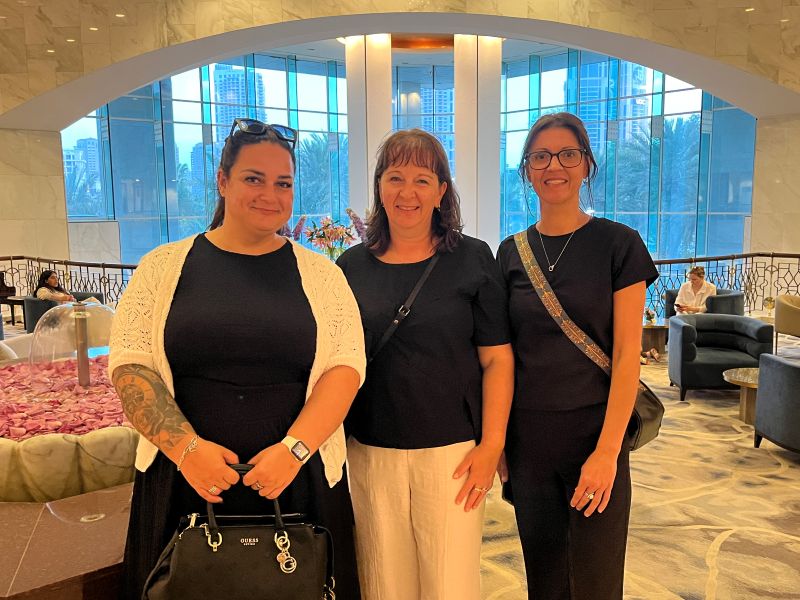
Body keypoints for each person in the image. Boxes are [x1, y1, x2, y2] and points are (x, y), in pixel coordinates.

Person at [108, 118, 366, 599]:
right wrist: (188, 452)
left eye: (283, 183)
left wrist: (294, 451)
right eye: (254, 178)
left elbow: (345, 368)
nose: (270, 194)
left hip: (297, 481)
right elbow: (131, 367)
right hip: (185, 483)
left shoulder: (322, 276)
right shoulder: (161, 268)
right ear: (223, 181)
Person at [337, 129, 514, 600]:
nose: (407, 192)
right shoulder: (351, 267)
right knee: (383, 583)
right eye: (395, 177)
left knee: (450, 585)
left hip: (453, 454)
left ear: (441, 191)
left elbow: (497, 359)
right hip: (371, 452)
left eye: (422, 180)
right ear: (379, 186)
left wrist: (492, 444)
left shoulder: (472, 258)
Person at [496, 112, 658, 600]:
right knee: (544, 578)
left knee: (596, 579)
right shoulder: (510, 253)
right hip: (529, 440)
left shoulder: (619, 244)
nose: (554, 166)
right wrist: (498, 441)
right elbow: (503, 357)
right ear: (526, 169)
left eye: (568, 154)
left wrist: (608, 453)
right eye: (540, 156)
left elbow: (627, 355)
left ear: (586, 164)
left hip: (596, 432)